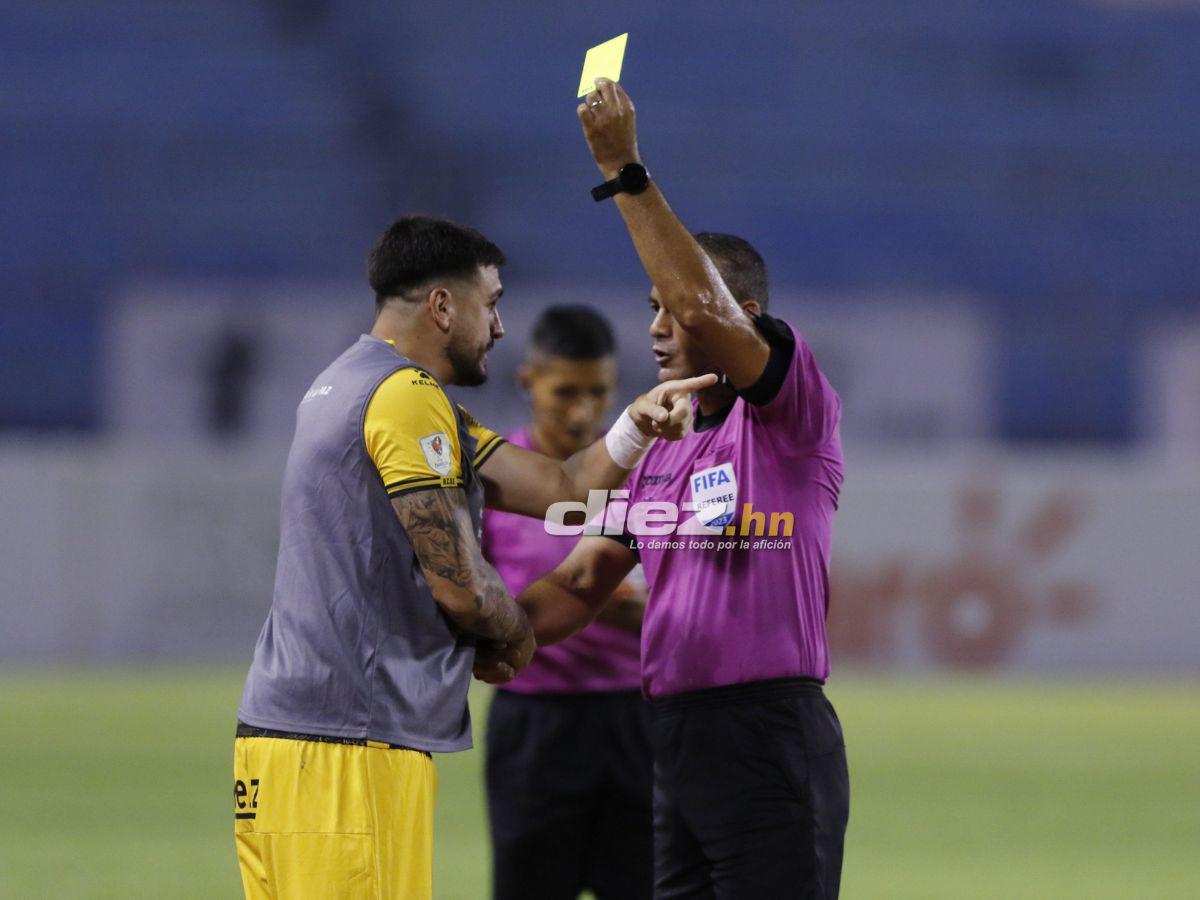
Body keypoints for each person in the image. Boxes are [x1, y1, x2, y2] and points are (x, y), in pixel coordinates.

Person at [232, 215, 714, 900]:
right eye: (491, 303)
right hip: (344, 744)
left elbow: (561, 486)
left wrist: (636, 422)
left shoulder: (350, 385)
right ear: (441, 306)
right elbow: (460, 584)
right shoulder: (406, 397)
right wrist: (516, 637)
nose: (499, 327)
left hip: (300, 742)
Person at [515, 80, 850, 898]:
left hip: (769, 734)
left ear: (751, 317)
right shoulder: (665, 445)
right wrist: (482, 631)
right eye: (651, 309)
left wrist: (624, 169)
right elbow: (581, 580)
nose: (661, 327)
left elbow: (705, 305)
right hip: (676, 739)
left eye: (673, 308)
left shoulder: (792, 417)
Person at [483, 306, 653, 900]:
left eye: (599, 392)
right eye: (565, 392)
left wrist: (628, 605)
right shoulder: (494, 482)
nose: (583, 412)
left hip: (636, 717)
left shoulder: (644, 479)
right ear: (528, 380)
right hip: (534, 723)